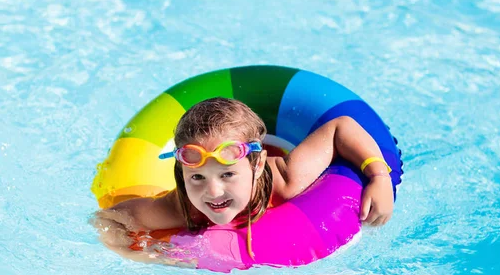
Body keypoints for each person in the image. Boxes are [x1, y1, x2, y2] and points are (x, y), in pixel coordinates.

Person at [93, 97, 394, 262]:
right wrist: (145, 257)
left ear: (258, 163)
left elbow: (340, 127)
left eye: (227, 174)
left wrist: (378, 175)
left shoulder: (286, 179)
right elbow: (109, 219)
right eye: (197, 176)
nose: (212, 190)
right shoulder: (180, 206)